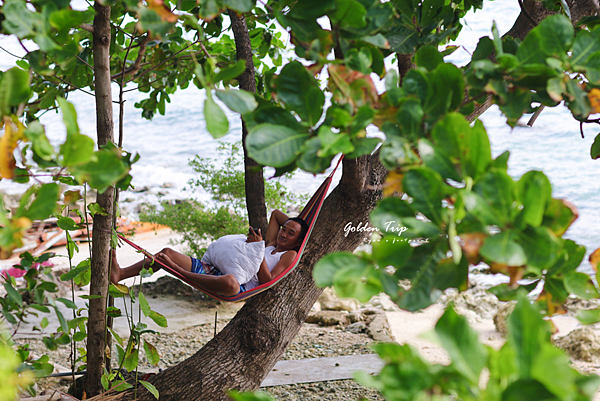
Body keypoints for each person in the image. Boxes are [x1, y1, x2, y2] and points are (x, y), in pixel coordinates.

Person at [110, 210, 309, 296]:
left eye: (291, 234)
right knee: (167, 251)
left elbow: (268, 281)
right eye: (284, 229)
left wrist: (258, 252)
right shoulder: (272, 244)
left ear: (298, 241)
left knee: (230, 282)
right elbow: (275, 214)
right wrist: (298, 223)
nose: (283, 234)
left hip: (240, 285)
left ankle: (178, 271)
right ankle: (121, 274)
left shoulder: (289, 255)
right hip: (214, 270)